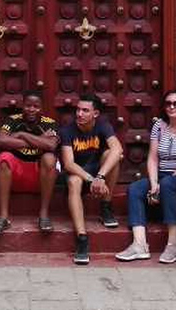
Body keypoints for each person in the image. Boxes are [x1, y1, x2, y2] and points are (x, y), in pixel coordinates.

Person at [116, 89, 176, 264]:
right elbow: (153, 158)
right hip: (164, 176)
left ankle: (173, 244)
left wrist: (163, 184)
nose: (172, 107)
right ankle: (139, 244)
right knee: (135, 189)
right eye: (168, 103)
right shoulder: (159, 126)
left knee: (170, 183)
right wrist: (154, 183)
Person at [60, 93, 123, 265]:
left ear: (95, 113)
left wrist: (100, 176)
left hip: (98, 173)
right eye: (78, 110)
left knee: (113, 155)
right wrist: (91, 179)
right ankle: (82, 238)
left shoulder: (103, 126)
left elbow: (117, 148)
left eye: (85, 111)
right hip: (79, 176)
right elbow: (68, 164)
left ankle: (105, 206)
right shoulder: (67, 131)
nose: (79, 114)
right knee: (73, 180)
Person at [0, 90, 59, 236]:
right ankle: (3, 217)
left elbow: (51, 146)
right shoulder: (12, 120)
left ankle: (44, 215)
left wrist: (21, 135)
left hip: (39, 175)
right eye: (28, 105)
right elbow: (1, 141)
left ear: (42, 108)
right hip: (16, 174)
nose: (31, 109)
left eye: (36, 106)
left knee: (50, 158)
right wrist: (39, 141)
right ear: (22, 105)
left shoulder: (49, 123)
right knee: (5, 157)